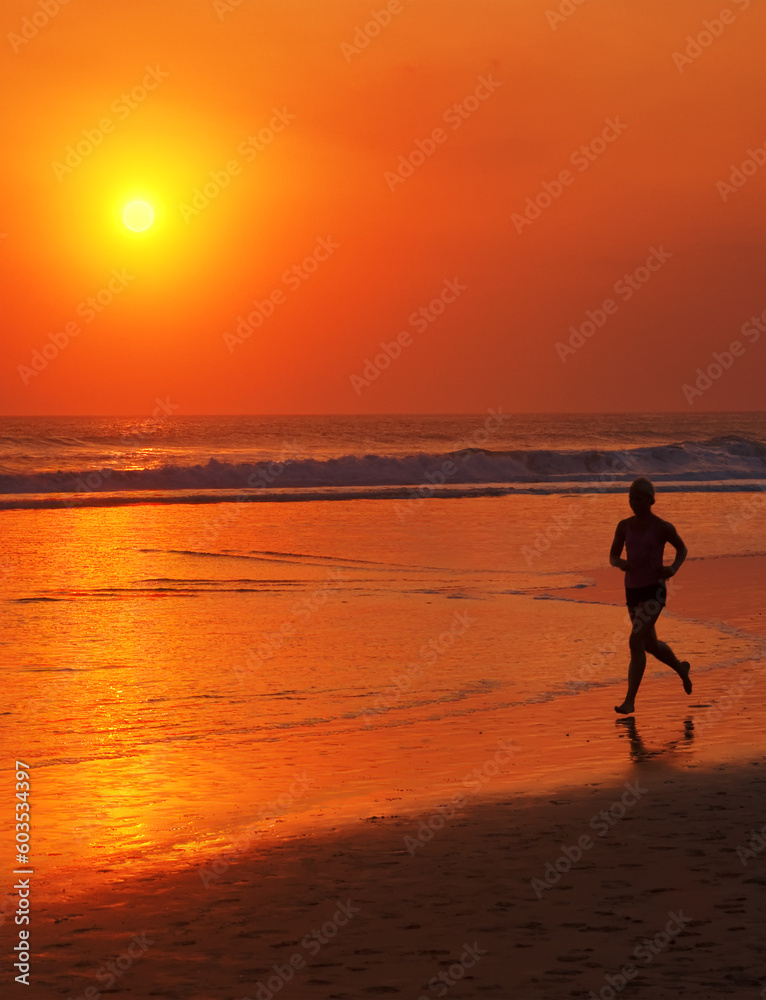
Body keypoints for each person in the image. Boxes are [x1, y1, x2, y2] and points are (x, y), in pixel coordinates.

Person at [609, 477, 691, 714]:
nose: (634, 503)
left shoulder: (662, 527)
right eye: (631, 498)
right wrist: (620, 563)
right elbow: (613, 555)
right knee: (650, 644)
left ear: (650, 500)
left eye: (639, 498)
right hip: (632, 590)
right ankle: (681, 669)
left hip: (654, 590)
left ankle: (629, 702)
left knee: (635, 641)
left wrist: (673, 568)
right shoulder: (623, 526)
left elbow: (682, 549)